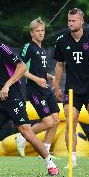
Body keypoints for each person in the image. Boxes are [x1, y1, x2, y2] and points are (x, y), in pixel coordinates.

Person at [0, 22, 59, 175]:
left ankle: (51, 165)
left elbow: (22, 67)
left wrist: (7, 86)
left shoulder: (1, 49)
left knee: (26, 133)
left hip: (13, 100)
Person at [54, 8, 89, 169]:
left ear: (82, 21)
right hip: (72, 89)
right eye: (69, 20)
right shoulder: (62, 40)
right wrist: (56, 87)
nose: (71, 23)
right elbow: (59, 65)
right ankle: (72, 159)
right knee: (70, 123)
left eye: (74, 20)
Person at [15, 17, 60, 157]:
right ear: (31, 33)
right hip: (34, 90)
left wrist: (49, 76)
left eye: (42, 30)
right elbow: (21, 69)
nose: (41, 33)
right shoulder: (28, 47)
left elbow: (39, 70)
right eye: (37, 31)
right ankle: (22, 137)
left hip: (45, 89)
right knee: (47, 122)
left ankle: (44, 152)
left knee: (56, 120)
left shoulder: (43, 49)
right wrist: (37, 80)